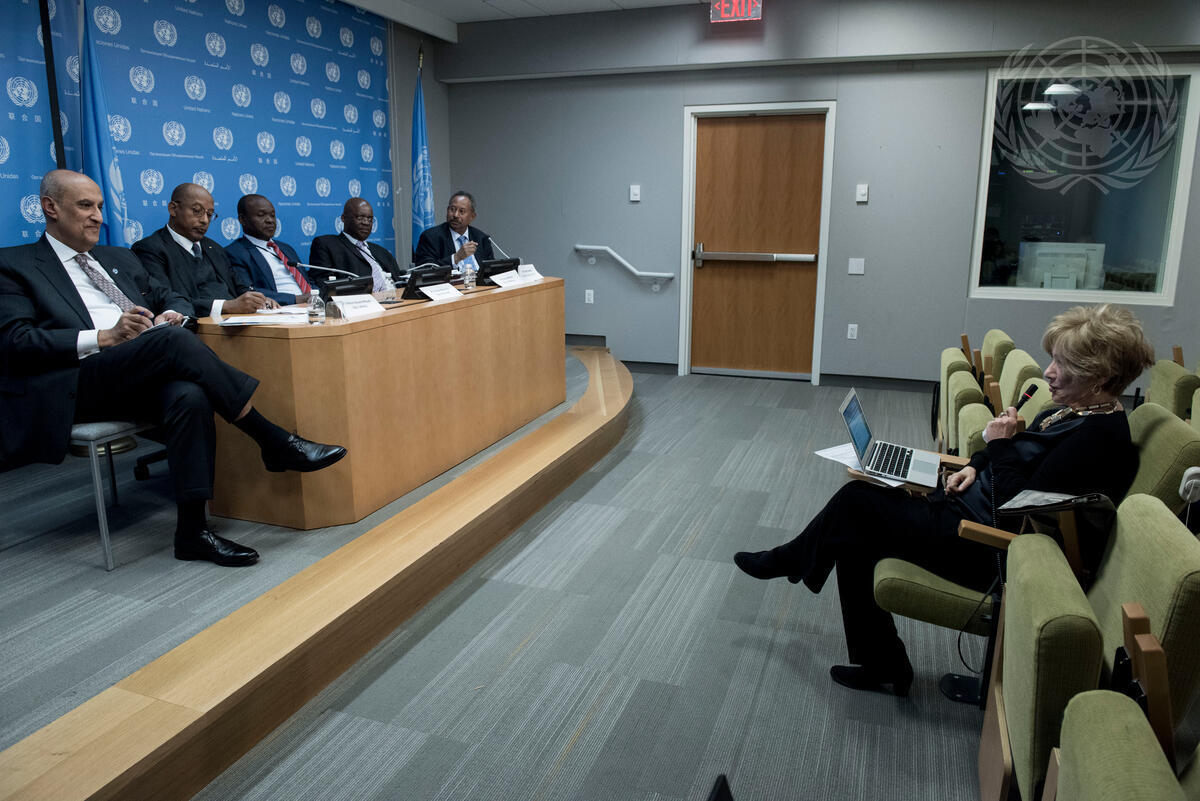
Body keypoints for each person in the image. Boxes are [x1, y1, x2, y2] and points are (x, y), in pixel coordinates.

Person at [733, 304, 1154, 697]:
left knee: (857, 504)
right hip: (966, 511)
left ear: (1099, 378)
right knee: (854, 526)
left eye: (1063, 364)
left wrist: (999, 446)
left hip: (988, 546)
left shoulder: (1099, 439)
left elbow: (1018, 503)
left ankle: (793, 562)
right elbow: (1020, 456)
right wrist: (977, 463)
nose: (1049, 372)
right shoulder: (1074, 412)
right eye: (1053, 359)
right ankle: (881, 663)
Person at [0, 170, 347, 567]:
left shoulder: (117, 257)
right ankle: (272, 439)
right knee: (171, 342)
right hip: (75, 382)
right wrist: (104, 337)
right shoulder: (14, 264)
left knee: (189, 394)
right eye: (85, 206)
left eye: (99, 206)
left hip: (136, 369)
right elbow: (14, 342)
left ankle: (193, 532)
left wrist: (171, 313)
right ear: (50, 207)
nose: (97, 216)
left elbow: (171, 296)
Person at [132, 183, 275, 316]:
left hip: (237, 320)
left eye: (209, 214)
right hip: (196, 327)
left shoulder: (214, 248)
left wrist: (260, 300)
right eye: (197, 211)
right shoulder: (150, 249)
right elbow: (166, 300)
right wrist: (225, 306)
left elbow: (239, 286)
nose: (205, 220)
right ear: (173, 209)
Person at [226, 194, 312, 307]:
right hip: (282, 309)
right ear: (242, 219)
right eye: (261, 215)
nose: (270, 220)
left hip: (310, 305)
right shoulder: (235, 252)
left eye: (272, 215)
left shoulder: (285, 248)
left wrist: (317, 294)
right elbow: (247, 291)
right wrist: (295, 299)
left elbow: (307, 281)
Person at [308, 198, 402, 290]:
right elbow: (326, 286)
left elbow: (400, 280)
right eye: (360, 217)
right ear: (343, 218)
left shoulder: (381, 251)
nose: (366, 223)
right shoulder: (327, 245)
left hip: (398, 296)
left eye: (370, 219)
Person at [414, 191, 495, 270]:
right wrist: (456, 258)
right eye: (452, 209)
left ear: (472, 216)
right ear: (447, 210)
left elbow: (491, 269)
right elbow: (426, 269)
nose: (455, 215)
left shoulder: (482, 238)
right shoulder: (430, 237)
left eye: (461, 211)